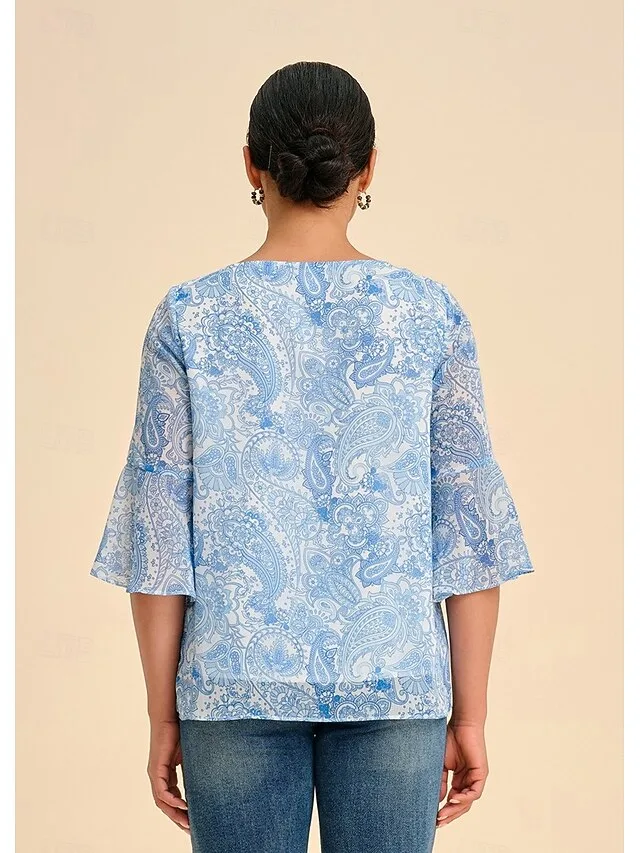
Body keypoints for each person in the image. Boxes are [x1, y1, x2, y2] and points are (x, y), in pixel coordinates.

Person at [90, 60, 534, 853]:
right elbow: (468, 534)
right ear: (368, 168)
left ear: (251, 164)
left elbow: (159, 540)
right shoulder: (428, 314)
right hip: (396, 685)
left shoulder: (188, 316)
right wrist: (470, 714)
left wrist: (162, 715)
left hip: (232, 688)